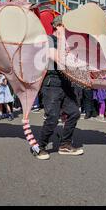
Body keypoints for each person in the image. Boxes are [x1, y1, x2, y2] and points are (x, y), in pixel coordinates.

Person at [34, 15, 84, 160]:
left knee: (74, 113)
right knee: (52, 118)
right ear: (57, 25)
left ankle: (65, 145)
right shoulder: (49, 39)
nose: (68, 29)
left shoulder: (69, 42)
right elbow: (58, 58)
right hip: (52, 82)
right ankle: (39, 146)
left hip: (66, 83)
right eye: (65, 26)